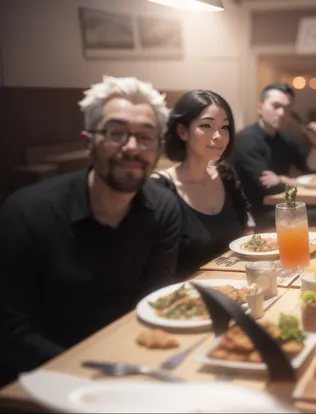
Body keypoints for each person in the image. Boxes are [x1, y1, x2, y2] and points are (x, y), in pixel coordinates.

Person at [0, 76, 181, 386]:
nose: (132, 147)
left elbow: (153, 303)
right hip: (43, 377)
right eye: (115, 133)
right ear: (87, 144)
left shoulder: (163, 209)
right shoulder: (28, 213)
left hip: (129, 364)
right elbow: (10, 330)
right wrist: (92, 377)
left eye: (146, 136)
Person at [152, 90, 253, 279]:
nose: (218, 136)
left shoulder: (226, 176)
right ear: (183, 132)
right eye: (206, 125)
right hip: (185, 299)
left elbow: (245, 232)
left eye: (224, 127)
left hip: (236, 286)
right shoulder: (159, 189)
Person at [231, 83, 316, 229]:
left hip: (282, 208)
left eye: (287, 108)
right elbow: (269, 186)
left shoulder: (285, 138)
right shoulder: (245, 140)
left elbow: (311, 169)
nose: (282, 113)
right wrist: (293, 182)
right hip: (252, 217)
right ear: (260, 107)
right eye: (276, 106)